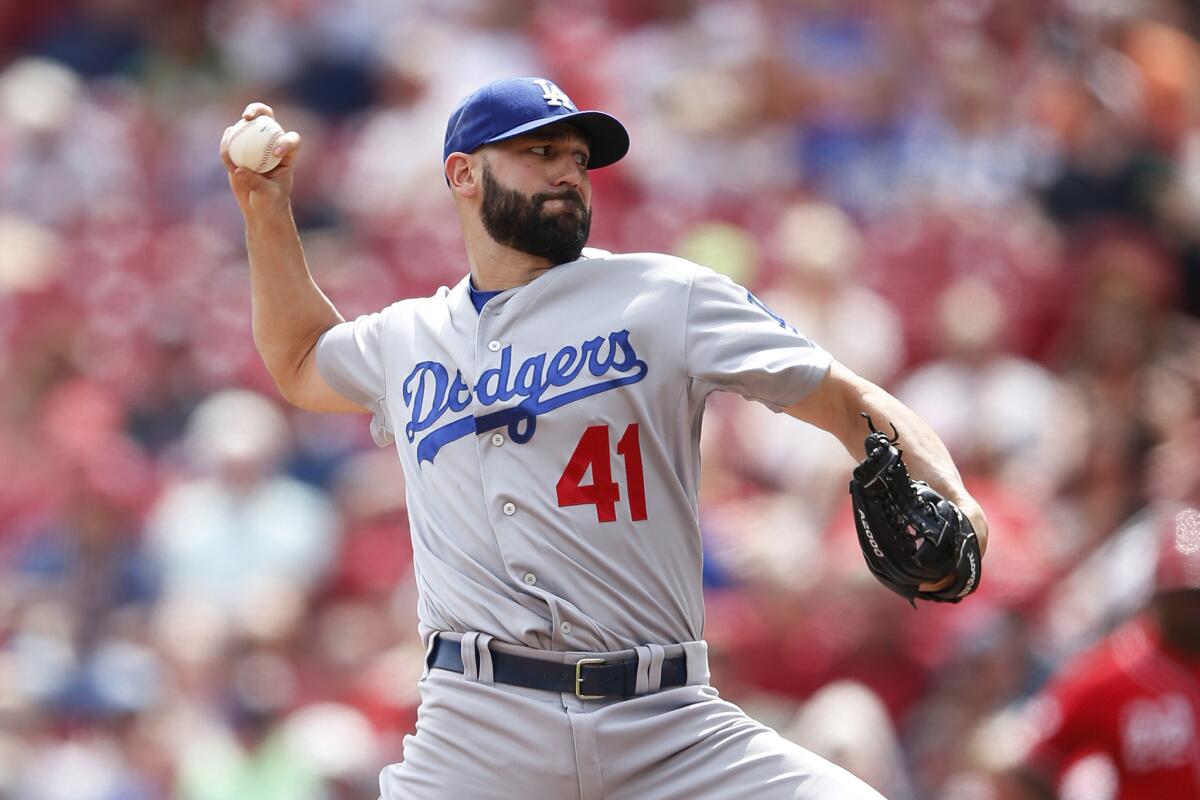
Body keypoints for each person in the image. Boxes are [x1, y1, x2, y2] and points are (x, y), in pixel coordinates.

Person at [220, 76, 989, 799]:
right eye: (540, 153)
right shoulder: (407, 337)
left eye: (579, 159)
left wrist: (957, 499)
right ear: (463, 174)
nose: (568, 174)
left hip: (668, 723)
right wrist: (264, 204)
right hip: (478, 733)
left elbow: (845, 398)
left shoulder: (664, 295)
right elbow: (297, 360)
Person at [1003, 506, 1200, 800]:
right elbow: (1031, 767)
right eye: (1185, 596)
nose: (1195, 609)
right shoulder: (1106, 674)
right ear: (1158, 595)